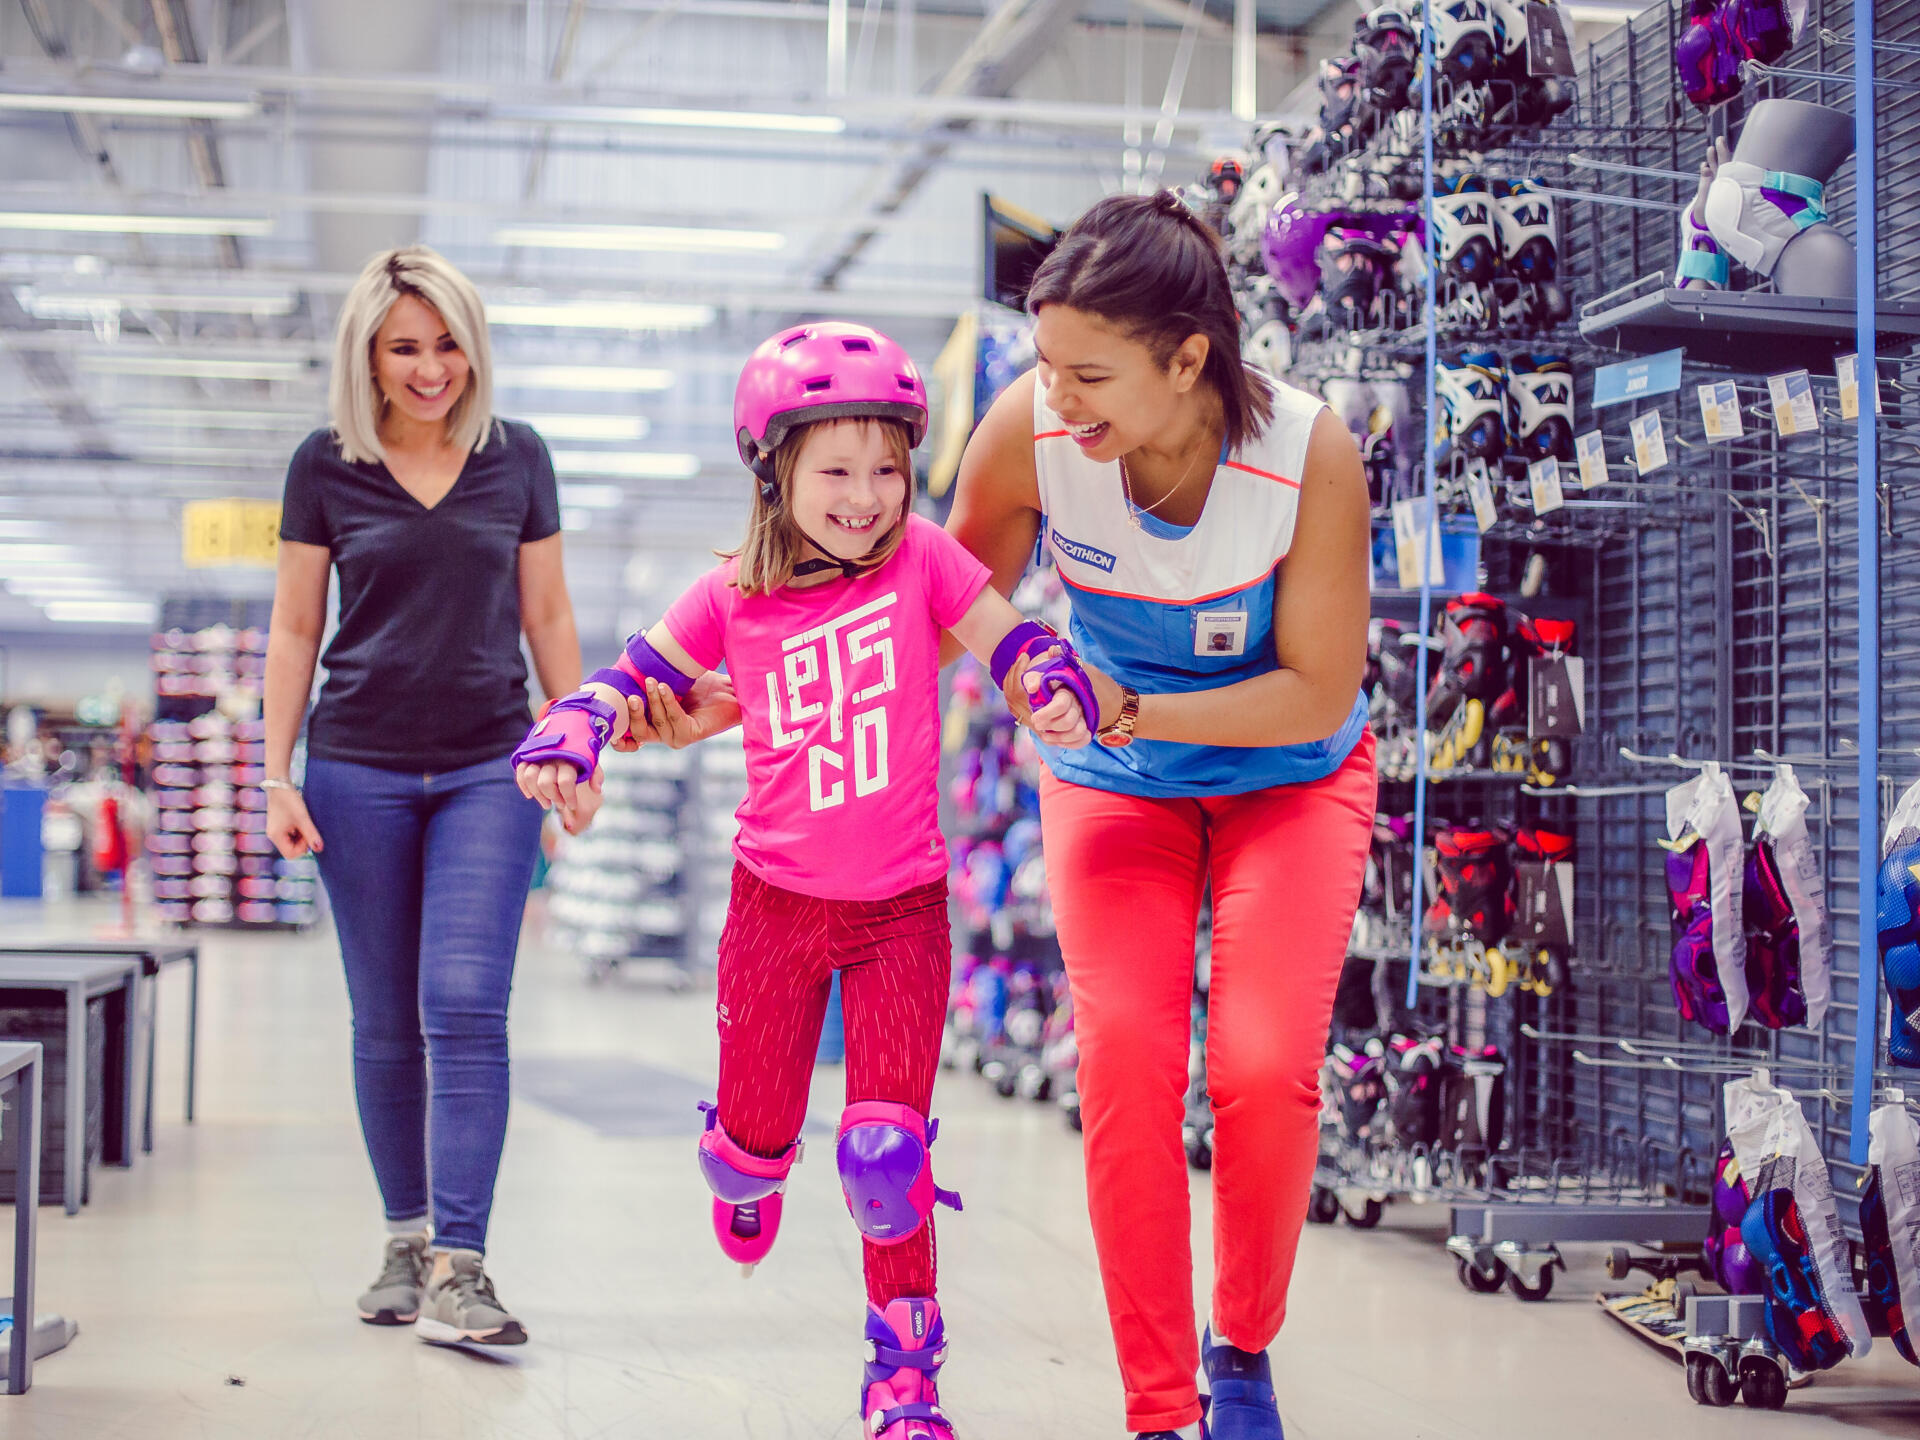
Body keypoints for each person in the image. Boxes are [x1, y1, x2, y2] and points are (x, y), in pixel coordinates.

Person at [512, 321, 1093, 1440]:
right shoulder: (731, 593)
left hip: (903, 914)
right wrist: (572, 732)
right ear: (774, 473)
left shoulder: (925, 559)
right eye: (836, 469)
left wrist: (1049, 681)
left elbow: (1009, 639)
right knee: (749, 1152)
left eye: (887, 467)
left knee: (888, 1155)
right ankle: (745, 1169)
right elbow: (626, 681)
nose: (867, 494)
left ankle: (905, 1377)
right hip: (773, 912)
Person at [946, 191, 1378, 1440]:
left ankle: (1238, 1350)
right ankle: (1155, 1407)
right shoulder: (1030, 433)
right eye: (1045, 365)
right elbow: (941, 602)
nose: (1057, 396)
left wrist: (1129, 705)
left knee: (1259, 1068)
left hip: (1287, 779)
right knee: (1128, 1066)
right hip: (1113, 785)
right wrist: (749, 678)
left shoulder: (1310, 452)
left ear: (1189, 359)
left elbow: (1315, 690)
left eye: (1090, 373)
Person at [263, 244, 588, 1347]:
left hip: (490, 767)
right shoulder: (324, 465)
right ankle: (404, 1238)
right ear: (369, 354)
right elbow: (297, 626)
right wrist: (275, 774)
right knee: (385, 1020)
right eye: (406, 346)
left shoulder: (518, 458)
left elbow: (547, 615)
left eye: (448, 343)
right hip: (354, 768)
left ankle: (463, 1263)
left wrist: (575, 741)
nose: (431, 367)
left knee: (463, 1003)